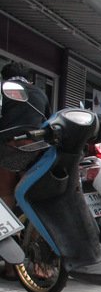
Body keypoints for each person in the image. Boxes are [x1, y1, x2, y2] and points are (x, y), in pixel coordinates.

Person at [0, 62, 51, 280]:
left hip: (9, 148)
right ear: (27, 78)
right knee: (34, 204)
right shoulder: (39, 93)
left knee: (6, 199)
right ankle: (41, 265)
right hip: (36, 151)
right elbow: (47, 122)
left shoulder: (3, 89)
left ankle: (11, 266)